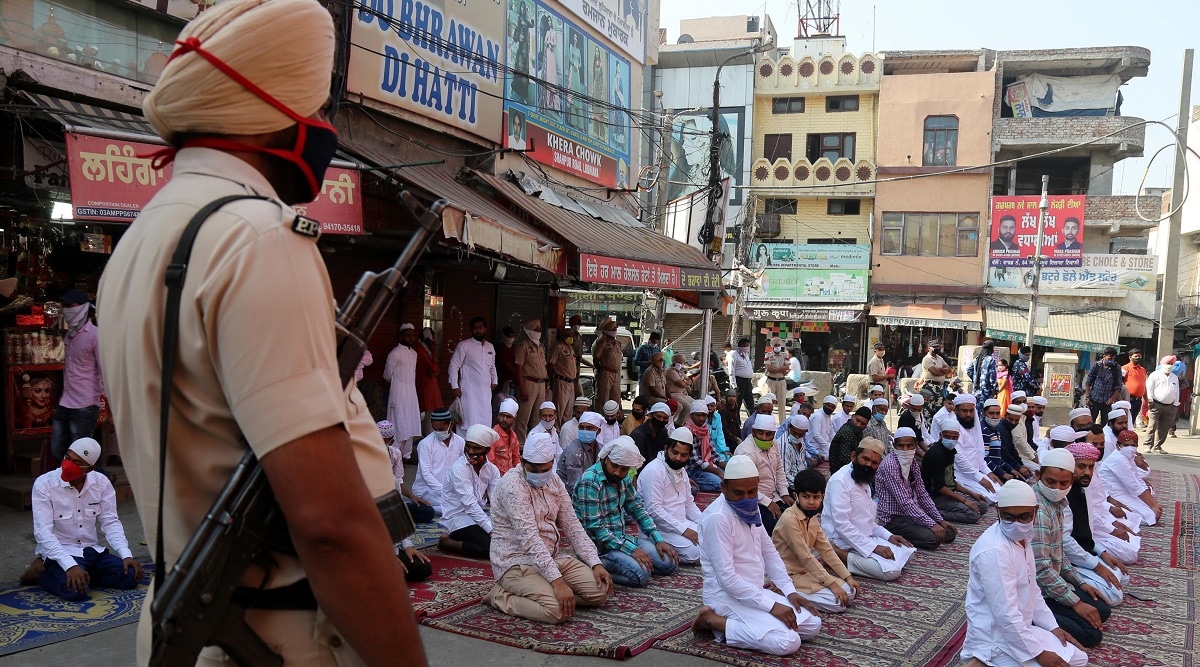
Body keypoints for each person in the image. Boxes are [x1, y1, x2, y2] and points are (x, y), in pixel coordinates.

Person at [97, 2, 425, 661]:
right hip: (269, 638)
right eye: (314, 107)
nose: (323, 128)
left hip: (184, 619)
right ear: (270, 111)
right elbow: (330, 526)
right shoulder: (258, 237)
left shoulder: (142, 239)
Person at [690, 455, 822, 656]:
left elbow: (768, 551)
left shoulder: (751, 507)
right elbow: (727, 579)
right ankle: (713, 620)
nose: (746, 498)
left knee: (812, 623)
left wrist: (789, 591)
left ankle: (747, 622)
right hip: (726, 597)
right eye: (738, 493)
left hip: (753, 592)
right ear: (724, 488)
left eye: (752, 492)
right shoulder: (718, 518)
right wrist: (771, 606)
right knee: (788, 641)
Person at [961, 479, 1089, 667]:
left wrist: (1052, 627)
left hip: (1021, 628)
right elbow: (1006, 614)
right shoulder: (994, 551)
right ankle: (980, 660)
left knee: (1079, 659)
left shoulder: (1024, 538)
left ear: (1035, 512)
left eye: (1024, 517)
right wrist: (1038, 653)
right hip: (995, 637)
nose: (1016, 524)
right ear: (997, 511)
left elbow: (1033, 591)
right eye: (1008, 517)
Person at [487, 432, 613, 623]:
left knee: (600, 591)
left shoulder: (553, 480)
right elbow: (529, 538)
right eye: (533, 469)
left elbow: (572, 525)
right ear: (522, 463)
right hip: (517, 562)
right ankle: (499, 596)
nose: (539, 474)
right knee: (557, 612)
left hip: (551, 557)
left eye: (543, 469)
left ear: (552, 462)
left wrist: (595, 562)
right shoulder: (512, 486)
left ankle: (546, 593)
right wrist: (558, 582)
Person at [30, 438, 141, 600]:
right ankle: (43, 572)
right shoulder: (44, 484)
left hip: (91, 551)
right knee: (76, 592)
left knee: (131, 576)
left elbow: (110, 522)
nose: (68, 464)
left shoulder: (101, 483)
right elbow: (42, 532)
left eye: (77, 462)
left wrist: (126, 555)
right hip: (61, 552)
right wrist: (70, 566)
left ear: (90, 468)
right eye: (67, 457)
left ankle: (83, 576)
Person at [1033, 448, 1112, 648]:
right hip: (1036, 591)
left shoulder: (1057, 502)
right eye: (1050, 482)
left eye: (1063, 483)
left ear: (1072, 480)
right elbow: (1041, 570)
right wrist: (1075, 602)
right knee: (1091, 635)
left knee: (1102, 610)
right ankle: (1034, 621)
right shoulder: (1039, 511)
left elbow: (1058, 552)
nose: (1057, 488)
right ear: (1038, 476)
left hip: (1050, 582)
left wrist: (1080, 583)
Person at [572, 437, 679, 587]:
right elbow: (594, 527)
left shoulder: (623, 478)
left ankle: (625, 562)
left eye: (624, 469)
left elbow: (638, 509)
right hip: (598, 547)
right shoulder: (590, 482)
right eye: (615, 466)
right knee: (640, 575)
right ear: (605, 460)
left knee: (669, 563)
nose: (618, 472)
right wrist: (632, 550)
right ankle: (593, 564)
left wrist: (657, 539)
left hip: (620, 539)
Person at [822, 438, 916, 581]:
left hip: (864, 535)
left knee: (908, 552)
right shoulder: (840, 481)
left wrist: (888, 536)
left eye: (874, 463)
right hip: (842, 540)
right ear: (853, 456)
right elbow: (842, 525)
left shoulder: (863, 481)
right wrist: (874, 548)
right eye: (865, 459)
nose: (868, 465)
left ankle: (863, 558)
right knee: (891, 572)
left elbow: (867, 521)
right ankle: (837, 555)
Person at [773, 469, 860, 614]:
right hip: (789, 576)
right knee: (838, 603)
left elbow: (826, 549)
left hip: (806, 573)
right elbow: (805, 556)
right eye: (806, 497)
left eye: (816, 497)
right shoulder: (789, 519)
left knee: (849, 592)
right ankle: (783, 592)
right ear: (796, 496)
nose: (811, 502)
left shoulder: (811, 517)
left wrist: (847, 576)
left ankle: (801, 593)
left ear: (822, 497)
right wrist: (832, 584)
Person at [1062, 442, 1129, 607]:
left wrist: (1101, 552)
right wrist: (1097, 565)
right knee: (1115, 595)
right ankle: (1064, 588)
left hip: (1081, 553)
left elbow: (1084, 532)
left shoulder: (1082, 489)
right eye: (1081, 467)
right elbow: (1064, 541)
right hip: (1063, 561)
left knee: (1122, 576)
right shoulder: (1062, 494)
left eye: (1091, 467)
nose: (1087, 472)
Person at [877, 427, 957, 550]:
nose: (905, 450)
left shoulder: (912, 462)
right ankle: (890, 534)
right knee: (933, 539)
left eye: (909, 446)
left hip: (910, 514)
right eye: (901, 446)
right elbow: (905, 502)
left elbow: (922, 494)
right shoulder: (890, 465)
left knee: (949, 533)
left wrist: (939, 520)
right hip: (893, 519)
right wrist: (931, 524)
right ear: (894, 445)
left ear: (915, 445)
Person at [50, 289, 103, 462]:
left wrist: (109, 406)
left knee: (80, 453)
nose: (66, 310)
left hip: (85, 404)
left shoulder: (95, 336)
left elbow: (104, 370)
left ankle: (100, 478)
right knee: (58, 447)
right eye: (64, 306)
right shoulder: (70, 336)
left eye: (69, 305)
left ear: (81, 307)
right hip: (66, 401)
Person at [638, 430, 704, 564]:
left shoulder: (682, 471)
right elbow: (654, 510)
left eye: (683, 455)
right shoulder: (654, 470)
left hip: (680, 523)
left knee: (713, 538)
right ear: (666, 448)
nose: (678, 458)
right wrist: (684, 530)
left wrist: (704, 523)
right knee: (696, 552)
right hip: (657, 529)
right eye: (675, 453)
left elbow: (689, 504)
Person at [438, 424, 502, 559]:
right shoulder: (459, 469)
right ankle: (448, 543)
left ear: (487, 450)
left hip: (478, 517)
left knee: (507, 542)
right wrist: (491, 530)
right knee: (491, 549)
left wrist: (503, 525)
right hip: (457, 519)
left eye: (476, 448)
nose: (471, 451)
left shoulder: (492, 470)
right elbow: (469, 504)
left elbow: (497, 501)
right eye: (468, 446)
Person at [1088, 430, 1143, 565]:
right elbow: (1088, 510)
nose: (1099, 448)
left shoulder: (1094, 465)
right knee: (1130, 554)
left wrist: (1111, 512)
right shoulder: (1079, 475)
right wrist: (1111, 528)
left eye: (1102, 444)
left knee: (1132, 520)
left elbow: (1099, 500)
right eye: (1094, 444)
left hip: (1100, 517)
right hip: (1088, 529)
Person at [734, 413, 793, 535]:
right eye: (760, 433)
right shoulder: (746, 452)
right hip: (753, 500)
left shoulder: (773, 444)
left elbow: (779, 469)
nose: (764, 438)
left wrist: (784, 493)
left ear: (774, 434)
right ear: (753, 431)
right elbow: (745, 486)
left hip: (774, 495)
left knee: (796, 517)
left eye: (769, 434)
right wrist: (768, 503)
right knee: (778, 528)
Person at [922, 416, 987, 524]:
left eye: (954, 437)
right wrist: (964, 500)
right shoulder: (936, 455)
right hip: (935, 497)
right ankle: (935, 513)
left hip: (947, 493)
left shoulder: (950, 451)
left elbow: (951, 481)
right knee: (973, 515)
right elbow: (940, 488)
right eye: (947, 437)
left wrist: (971, 494)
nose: (951, 440)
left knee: (983, 506)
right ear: (940, 435)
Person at [1097, 424, 1163, 526]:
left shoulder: (1129, 456)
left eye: (1133, 445)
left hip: (1124, 491)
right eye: (1126, 445)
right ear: (1118, 445)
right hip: (1112, 494)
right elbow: (1133, 485)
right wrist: (1153, 505)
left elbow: (1138, 479)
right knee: (1149, 516)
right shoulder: (1118, 459)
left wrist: (1154, 504)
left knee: (1151, 511)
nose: (1130, 448)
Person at [449, 316, 500, 437]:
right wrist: (454, 386)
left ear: (485, 329)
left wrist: (495, 380)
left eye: (480, 328)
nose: (478, 330)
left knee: (484, 421)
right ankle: (464, 451)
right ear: (471, 330)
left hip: (485, 392)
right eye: (475, 328)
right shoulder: (464, 345)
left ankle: (481, 449)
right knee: (468, 421)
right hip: (468, 392)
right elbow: (453, 366)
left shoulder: (490, 347)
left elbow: (492, 365)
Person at [412, 408, 466, 514]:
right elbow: (426, 474)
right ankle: (427, 508)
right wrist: (444, 491)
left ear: (451, 425)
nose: (437, 432)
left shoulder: (460, 442)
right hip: (428, 490)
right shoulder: (425, 444)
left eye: (441, 429)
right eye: (434, 429)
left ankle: (430, 508)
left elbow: (464, 467)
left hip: (451, 489)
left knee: (471, 501)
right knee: (456, 506)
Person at [381, 420, 435, 524]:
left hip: (392, 502)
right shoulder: (366, 455)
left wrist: (413, 497)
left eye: (384, 441)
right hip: (372, 502)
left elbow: (399, 481)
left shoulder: (395, 453)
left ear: (391, 442)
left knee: (427, 512)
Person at [383, 323, 422, 458]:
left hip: (411, 394)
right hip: (398, 394)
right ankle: (394, 456)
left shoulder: (414, 353)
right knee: (398, 424)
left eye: (412, 336)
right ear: (401, 336)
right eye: (407, 335)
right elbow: (387, 375)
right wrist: (399, 385)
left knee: (410, 424)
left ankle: (406, 455)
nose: (410, 338)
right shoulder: (395, 353)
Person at [952, 394, 1001, 504]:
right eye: (964, 411)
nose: (968, 414)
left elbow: (979, 454)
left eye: (971, 411)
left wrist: (988, 473)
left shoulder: (973, 426)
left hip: (975, 472)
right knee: (988, 498)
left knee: (1000, 492)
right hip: (961, 475)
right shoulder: (954, 428)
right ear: (956, 410)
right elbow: (960, 458)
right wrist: (979, 478)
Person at [514, 320, 549, 438]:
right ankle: (521, 443)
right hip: (529, 383)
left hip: (541, 384)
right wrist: (523, 387)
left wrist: (546, 385)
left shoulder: (541, 347)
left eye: (539, 330)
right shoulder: (524, 346)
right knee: (524, 416)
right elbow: (518, 368)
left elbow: (544, 367)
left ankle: (534, 440)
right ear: (530, 331)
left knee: (537, 416)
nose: (539, 332)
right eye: (536, 330)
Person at [558, 411, 605, 491]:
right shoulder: (574, 452)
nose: (585, 430)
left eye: (589, 428)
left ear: (598, 431)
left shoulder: (601, 448)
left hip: (592, 489)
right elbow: (576, 485)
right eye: (582, 427)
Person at [685, 400, 725, 492]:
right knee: (720, 484)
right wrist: (718, 472)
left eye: (704, 415)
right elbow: (695, 461)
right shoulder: (687, 431)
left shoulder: (705, 430)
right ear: (691, 416)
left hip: (705, 466)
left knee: (730, 478)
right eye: (698, 415)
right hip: (691, 469)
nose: (701, 418)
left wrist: (727, 468)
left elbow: (713, 453)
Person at [982, 399, 1025, 482]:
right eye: (991, 413)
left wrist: (1012, 469)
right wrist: (1003, 473)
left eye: (997, 413)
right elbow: (984, 458)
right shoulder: (984, 430)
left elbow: (997, 457)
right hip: (989, 472)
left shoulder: (995, 430)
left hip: (997, 470)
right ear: (984, 413)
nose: (995, 416)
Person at [1145, 354, 1180, 453]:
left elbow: (1177, 391)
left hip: (1170, 406)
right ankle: (1148, 445)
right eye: (1168, 363)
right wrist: (1150, 400)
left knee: (1164, 427)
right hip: (1156, 404)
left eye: (1172, 364)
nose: (1169, 366)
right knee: (1152, 425)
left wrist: (1175, 405)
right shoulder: (1155, 375)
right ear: (1162, 364)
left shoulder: (1174, 377)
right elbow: (1149, 389)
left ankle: (1157, 446)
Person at [1082, 347, 1122, 425]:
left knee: (1106, 424)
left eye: (1113, 359)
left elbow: (1118, 385)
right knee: (1090, 423)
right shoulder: (1096, 366)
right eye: (1110, 358)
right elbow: (1088, 382)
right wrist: (1087, 397)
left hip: (1107, 401)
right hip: (1094, 399)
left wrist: (1112, 398)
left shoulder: (1116, 368)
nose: (1112, 361)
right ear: (1104, 356)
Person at [828, 407, 870, 475]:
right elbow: (846, 460)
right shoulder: (847, 432)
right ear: (852, 417)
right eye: (857, 420)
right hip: (841, 472)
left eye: (863, 424)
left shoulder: (857, 431)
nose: (859, 425)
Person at [549, 327, 578, 421]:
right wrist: (551, 382)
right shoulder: (558, 348)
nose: (571, 337)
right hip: (562, 381)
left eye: (572, 335)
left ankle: (565, 430)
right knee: (559, 408)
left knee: (568, 410)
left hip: (571, 382)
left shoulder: (571, 348)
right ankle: (556, 430)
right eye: (569, 335)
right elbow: (551, 364)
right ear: (563, 337)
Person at [593, 320, 624, 406]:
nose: (615, 331)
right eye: (613, 330)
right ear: (607, 331)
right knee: (604, 398)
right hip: (606, 373)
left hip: (616, 373)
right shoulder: (603, 343)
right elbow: (596, 359)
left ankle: (615, 417)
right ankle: (602, 417)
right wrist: (601, 370)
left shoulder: (617, 343)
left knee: (616, 398)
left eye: (615, 329)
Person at [491, 398, 522, 475]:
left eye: (508, 417)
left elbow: (516, 459)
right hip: (496, 477)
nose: (504, 419)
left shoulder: (513, 436)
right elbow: (490, 463)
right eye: (502, 415)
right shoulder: (492, 435)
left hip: (511, 475)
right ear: (498, 416)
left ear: (514, 419)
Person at [780, 415, 810, 490]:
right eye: (794, 433)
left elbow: (803, 465)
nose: (797, 437)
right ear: (789, 427)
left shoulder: (801, 442)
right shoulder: (783, 445)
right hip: (790, 486)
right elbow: (784, 475)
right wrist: (803, 486)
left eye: (800, 435)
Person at [764, 338, 791, 424]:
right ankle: (767, 422)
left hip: (781, 381)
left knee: (782, 404)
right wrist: (781, 369)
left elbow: (787, 367)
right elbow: (769, 369)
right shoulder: (768, 355)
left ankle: (782, 423)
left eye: (778, 345)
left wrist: (776, 369)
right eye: (775, 345)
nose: (777, 347)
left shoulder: (785, 355)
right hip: (771, 381)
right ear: (772, 346)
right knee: (768, 402)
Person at [666, 352, 695, 426]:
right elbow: (682, 384)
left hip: (682, 394)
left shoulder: (680, 371)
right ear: (674, 362)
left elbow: (689, 380)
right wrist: (685, 383)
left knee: (695, 404)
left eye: (683, 362)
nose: (682, 364)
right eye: (680, 362)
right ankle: (678, 424)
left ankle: (685, 424)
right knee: (688, 407)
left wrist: (686, 382)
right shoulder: (670, 371)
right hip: (673, 394)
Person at [967, 340, 998, 406]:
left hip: (975, 391)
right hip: (986, 392)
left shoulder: (977, 359)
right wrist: (995, 390)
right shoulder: (990, 359)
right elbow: (992, 378)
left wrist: (975, 379)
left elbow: (969, 370)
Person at [808, 395, 839, 460]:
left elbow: (831, 432)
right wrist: (827, 446)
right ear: (824, 404)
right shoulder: (818, 416)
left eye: (832, 407)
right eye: (828, 405)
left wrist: (837, 441)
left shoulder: (828, 415)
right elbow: (816, 435)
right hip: (814, 445)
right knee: (834, 456)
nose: (830, 408)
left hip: (823, 445)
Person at [1123, 349, 1147, 429]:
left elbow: (1144, 385)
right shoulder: (1125, 368)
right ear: (1130, 357)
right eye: (1135, 356)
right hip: (1128, 399)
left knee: (1132, 422)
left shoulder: (1143, 370)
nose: (1138, 358)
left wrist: (1146, 400)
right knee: (1125, 421)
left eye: (1139, 356)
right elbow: (1120, 384)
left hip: (1138, 400)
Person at [731, 337, 755, 416]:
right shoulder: (734, 355)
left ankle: (752, 421)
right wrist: (734, 385)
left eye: (748, 345)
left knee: (750, 403)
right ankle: (736, 422)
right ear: (741, 346)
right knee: (737, 403)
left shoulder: (746, 355)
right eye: (746, 345)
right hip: (739, 381)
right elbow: (732, 371)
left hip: (747, 382)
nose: (747, 347)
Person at [496, 326, 519, 395]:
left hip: (516, 379)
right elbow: (506, 364)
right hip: (506, 380)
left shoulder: (516, 348)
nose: (511, 338)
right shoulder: (501, 349)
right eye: (509, 336)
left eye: (512, 336)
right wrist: (518, 374)